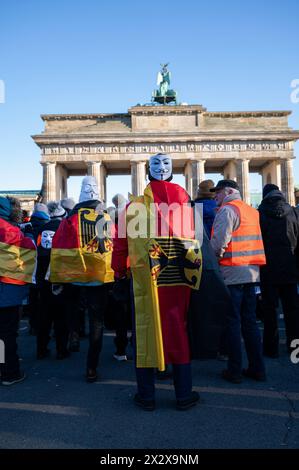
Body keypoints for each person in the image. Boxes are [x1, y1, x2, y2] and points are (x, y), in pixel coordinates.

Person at [112, 153, 202, 411]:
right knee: (178, 329)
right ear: (172, 175)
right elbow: (200, 245)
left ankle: (147, 395)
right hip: (179, 279)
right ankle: (183, 394)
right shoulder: (188, 207)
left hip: (145, 279)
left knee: (145, 331)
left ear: (148, 175)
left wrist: (119, 273)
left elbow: (120, 248)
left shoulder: (132, 209)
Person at [49, 176, 114, 382]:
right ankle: (91, 368)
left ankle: (74, 336)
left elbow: (57, 249)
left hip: (73, 276)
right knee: (97, 321)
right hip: (98, 276)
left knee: (73, 310)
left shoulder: (68, 220)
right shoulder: (105, 219)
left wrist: (56, 277)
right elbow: (113, 248)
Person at [210, 180, 266, 383]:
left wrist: (213, 262)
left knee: (233, 322)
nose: (215, 196)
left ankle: (234, 370)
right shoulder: (252, 211)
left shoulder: (227, 210)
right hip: (252, 273)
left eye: (218, 192)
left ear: (228, 191)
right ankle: (257, 368)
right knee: (250, 322)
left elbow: (218, 244)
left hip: (232, 272)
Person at [258, 183, 299, 357]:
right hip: (290, 268)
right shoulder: (293, 213)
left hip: (268, 269)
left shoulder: (260, 214)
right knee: (292, 311)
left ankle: (270, 349)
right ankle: (294, 348)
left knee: (270, 311)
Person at [0, 196, 36, 385]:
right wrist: (28, 236)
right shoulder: (12, 232)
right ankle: (9, 372)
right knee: (7, 333)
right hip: (8, 290)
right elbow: (29, 254)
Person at [35, 201, 69, 360]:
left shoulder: (41, 229)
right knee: (61, 316)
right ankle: (61, 349)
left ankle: (41, 349)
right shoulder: (66, 229)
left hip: (43, 276)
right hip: (60, 275)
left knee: (44, 315)